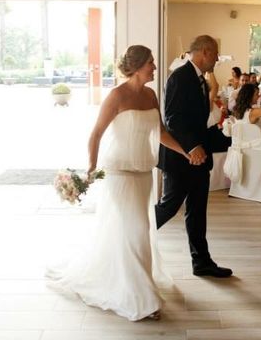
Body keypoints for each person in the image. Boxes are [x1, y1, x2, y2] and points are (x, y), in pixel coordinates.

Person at [46, 45, 191, 322]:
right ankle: (142, 300)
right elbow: (96, 134)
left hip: (143, 176)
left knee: (140, 230)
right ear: (137, 65)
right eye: (151, 62)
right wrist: (90, 166)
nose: (155, 67)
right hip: (120, 175)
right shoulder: (116, 96)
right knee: (135, 230)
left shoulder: (150, 95)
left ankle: (132, 284)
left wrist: (184, 151)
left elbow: (160, 132)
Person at [156, 35, 233, 278]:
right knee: (169, 208)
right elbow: (172, 118)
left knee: (197, 211)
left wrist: (230, 138)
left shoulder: (201, 80)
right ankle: (129, 240)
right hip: (181, 160)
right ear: (204, 52)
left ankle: (202, 262)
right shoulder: (180, 76)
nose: (218, 59)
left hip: (200, 161)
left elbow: (200, 123)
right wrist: (191, 147)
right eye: (216, 54)